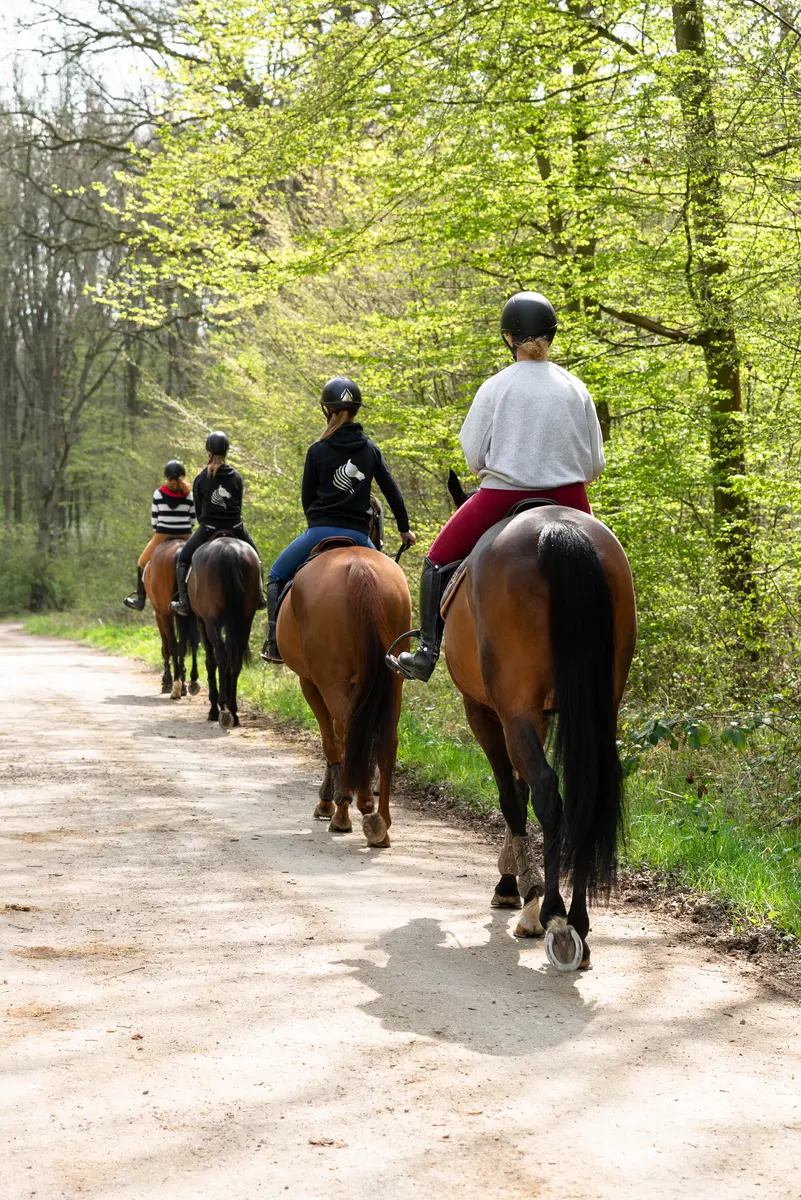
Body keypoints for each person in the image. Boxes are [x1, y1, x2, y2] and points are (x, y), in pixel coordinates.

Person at [392, 290, 606, 682]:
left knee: (436, 560)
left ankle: (425, 653)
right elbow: (594, 466)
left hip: (502, 497)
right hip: (570, 499)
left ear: (509, 338)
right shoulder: (577, 388)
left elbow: (473, 458)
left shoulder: (496, 387)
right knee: (607, 566)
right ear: (551, 336)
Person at [261, 376, 416, 663]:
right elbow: (392, 492)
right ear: (356, 410)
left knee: (275, 575)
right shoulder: (369, 449)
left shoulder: (317, 450)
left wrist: (318, 522)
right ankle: (403, 650)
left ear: (327, 410)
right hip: (359, 535)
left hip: (318, 531)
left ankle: (274, 644)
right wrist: (404, 529)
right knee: (388, 582)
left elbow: (307, 498)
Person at [170, 431, 267, 616]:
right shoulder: (236, 476)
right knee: (256, 556)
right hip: (235, 527)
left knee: (183, 558)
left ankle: (183, 601)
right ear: (227, 451)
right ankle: (259, 597)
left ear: (208, 451)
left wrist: (208, 524)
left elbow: (199, 511)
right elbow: (238, 505)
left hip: (208, 528)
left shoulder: (200, 478)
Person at [123, 460, 195, 610]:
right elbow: (192, 520)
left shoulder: (158, 493)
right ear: (183, 476)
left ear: (166, 477)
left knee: (141, 563)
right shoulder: (190, 495)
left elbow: (154, 520)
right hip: (186, 535)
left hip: (162, 534)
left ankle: (140, 600)